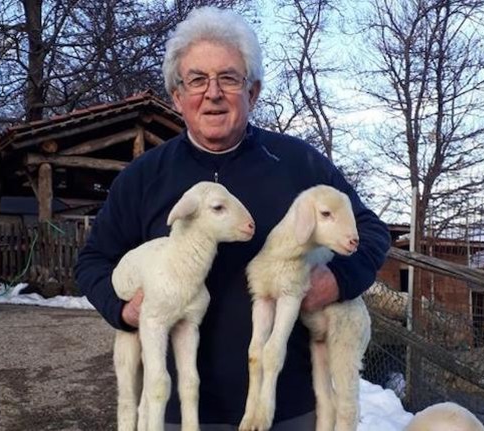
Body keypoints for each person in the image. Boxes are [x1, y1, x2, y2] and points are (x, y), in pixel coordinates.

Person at [75, 6, 390, 430]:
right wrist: (122, 309)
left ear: (253, 92)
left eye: (228, 78)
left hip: (288, 408)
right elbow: (93, 260)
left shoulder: (298, 165)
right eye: (197, 80)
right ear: (177, 95)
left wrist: (338, 280)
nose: (213, 93)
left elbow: (371, 231)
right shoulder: (144, 177)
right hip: (175, 414)